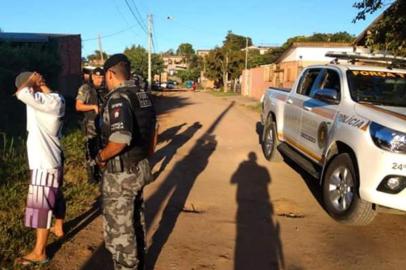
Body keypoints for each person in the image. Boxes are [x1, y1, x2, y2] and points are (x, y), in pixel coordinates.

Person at [96, 54, 157, 270]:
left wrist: (101, 157)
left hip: (121, 174)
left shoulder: (118, 98)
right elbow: (153, 133)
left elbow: (120, 139)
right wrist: (145, 157)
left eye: (105, 76)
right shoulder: (143, 96)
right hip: (138, 167)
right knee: (135, 223)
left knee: (120, 234)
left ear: (110, 73)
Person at [14, 71, 66, 266]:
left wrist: (33, 81)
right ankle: (59, 228)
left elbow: (21, 94)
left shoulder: (43, 102)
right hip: (54, 160)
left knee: (41, 207)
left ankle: (39, 252)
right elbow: (28, 95)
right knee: (56, 196)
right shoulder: (56, 98)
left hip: (43, 164)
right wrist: (40, 83)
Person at [76, 67, 107, 183]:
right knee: (90, 151)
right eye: (98, 77)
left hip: (103, 124)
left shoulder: (105, 90)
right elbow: (78, 106)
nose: (100, 79)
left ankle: (101, 174)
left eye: (102, 77)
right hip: (90, 125)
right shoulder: (85, 88)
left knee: (102, 149)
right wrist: (93, 107)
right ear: (93, 77)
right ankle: (91, 178)